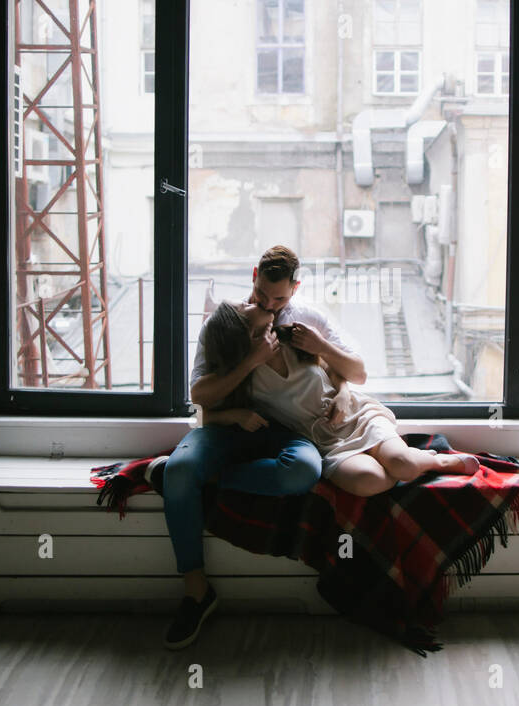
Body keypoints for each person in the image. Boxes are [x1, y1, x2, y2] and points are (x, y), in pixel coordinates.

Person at [147, 246, 365, 650]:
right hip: (224, 427)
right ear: (253, 276)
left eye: (279, 300)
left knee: (303, 469)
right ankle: (197, 593)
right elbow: (200, 393)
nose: (268, 306)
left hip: (280, 430)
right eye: (262, 296)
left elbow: (346, 369)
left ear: (294, 290)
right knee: (181, 471)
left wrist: (345, 393)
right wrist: (249, 362)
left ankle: (191, 479)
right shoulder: (226, 321)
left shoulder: (303, 321)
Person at [211, 301, 480, 496]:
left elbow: (335, 371)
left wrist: (342, 392)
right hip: (324, 441)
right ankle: (399, 464)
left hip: (355, 416)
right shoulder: (243, 382)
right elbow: (201, 412)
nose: (252, 302)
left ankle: (435, 460)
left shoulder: (291, 342)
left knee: (405, 465)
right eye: (244, 309)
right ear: (246, 336)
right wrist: (234, 414)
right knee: (369, 481)